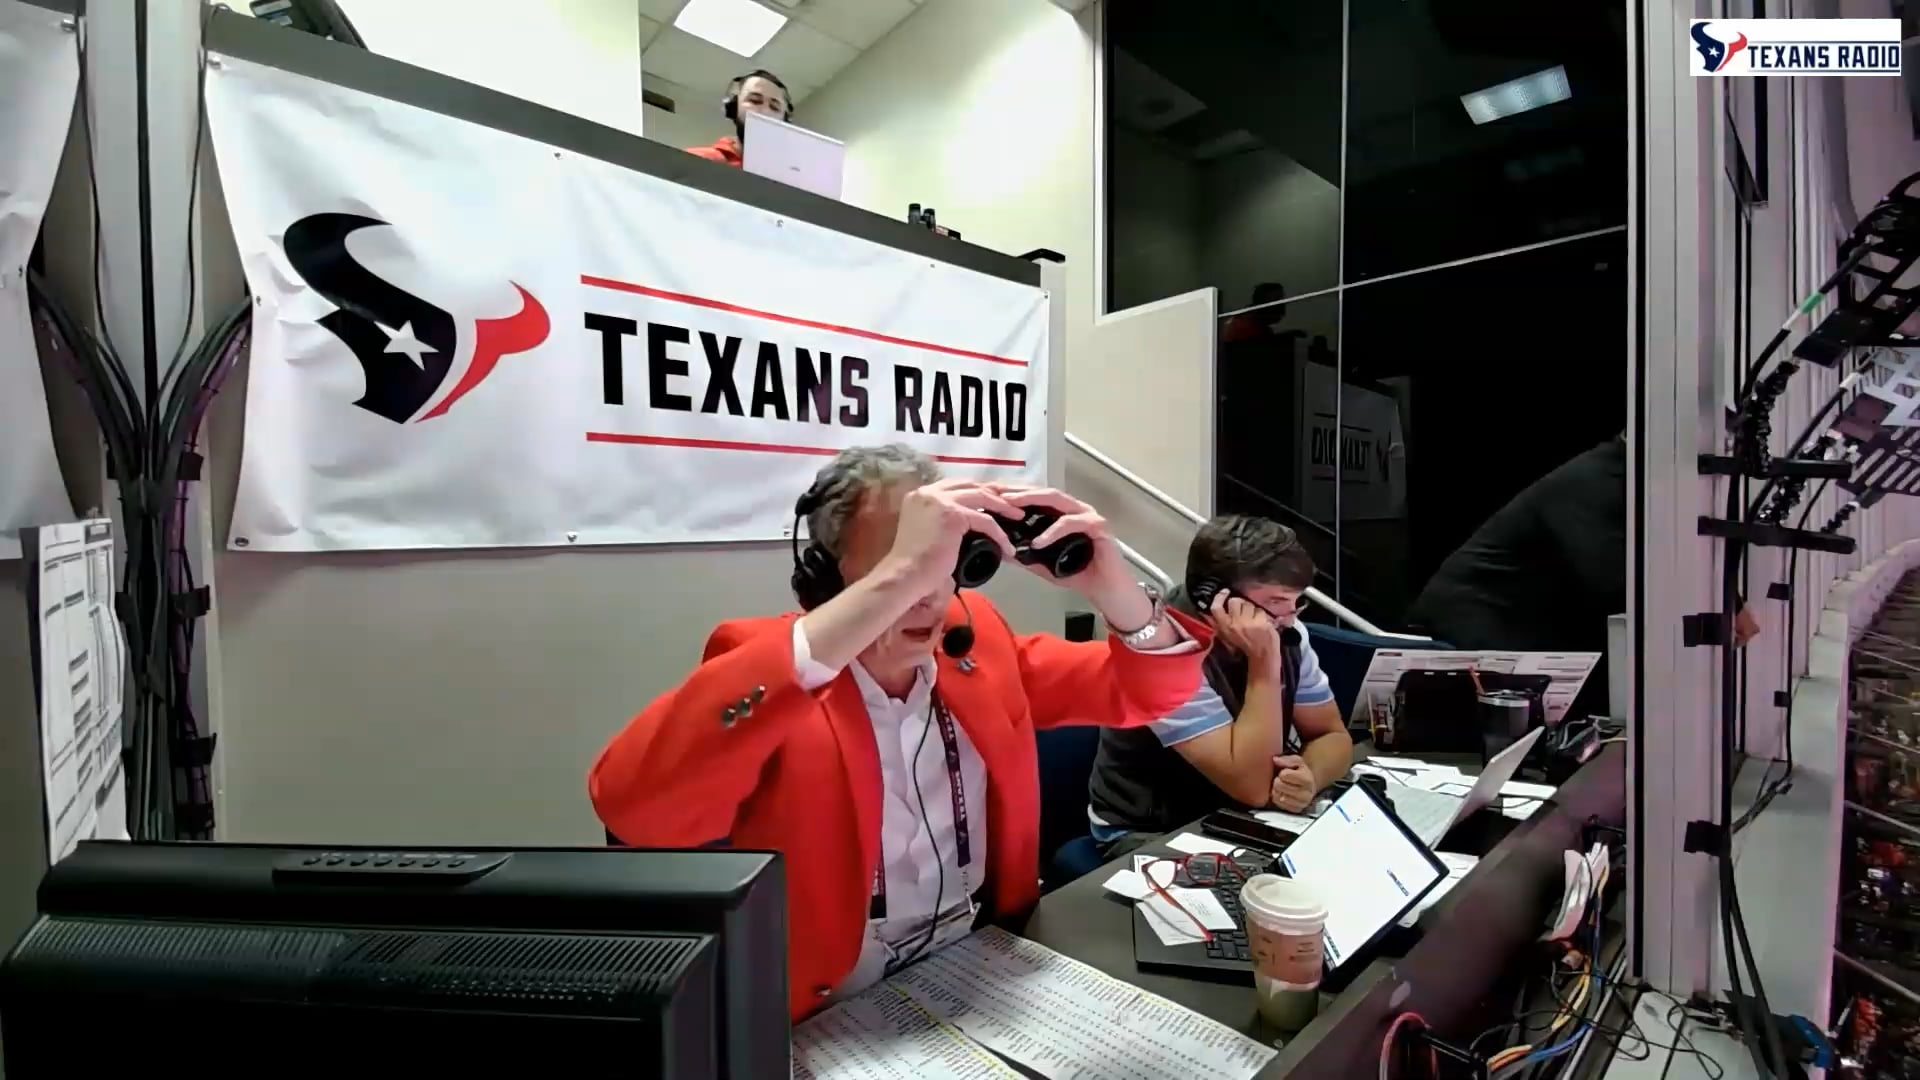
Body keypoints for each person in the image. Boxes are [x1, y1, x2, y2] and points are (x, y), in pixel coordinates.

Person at [589, 444, 1210, 1021]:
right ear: (828, 577)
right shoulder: (770, 668)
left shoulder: (976, 643)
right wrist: (898, 580)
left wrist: (1111, 585)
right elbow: (641, 813)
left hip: (982, 967)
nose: (929, 596)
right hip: (834, 1005)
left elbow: (1148, 692)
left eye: (942, 564)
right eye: (904, 565)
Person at [1408, 435, 1757, 716]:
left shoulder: (1632, 482)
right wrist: (1714, 605)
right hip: (1470, 628)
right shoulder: (1598, 480)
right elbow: (1614, 581)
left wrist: (1729, 600)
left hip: (1518, 630)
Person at [1086, 515, 1353, 856]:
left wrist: (1307, 778)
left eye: (1297, 602)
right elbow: (1253, 787)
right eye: (1275, 602)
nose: (1290, 619)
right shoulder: (1160, 651)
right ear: (1211, 597)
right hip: (1151, 828)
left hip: (1231, 810)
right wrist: (1264, 664)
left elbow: (1332, 735)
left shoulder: (1284, 631)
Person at [685, 69, 792, 168]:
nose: (765, 111)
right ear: (734, 107)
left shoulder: (791, 176)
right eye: (754, 100)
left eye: (774, 107)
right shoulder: (694, 160)